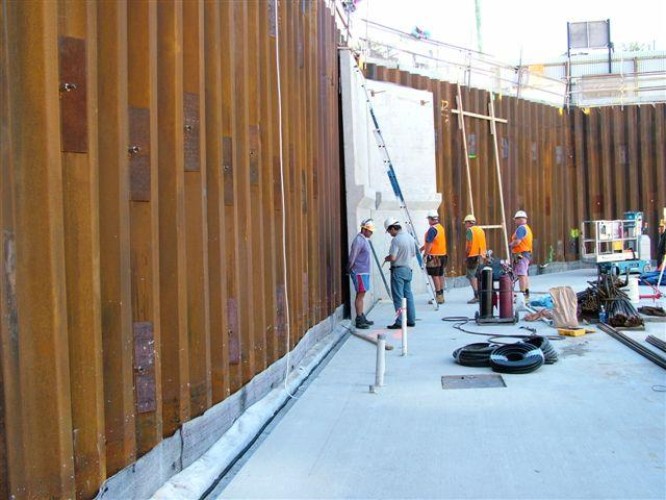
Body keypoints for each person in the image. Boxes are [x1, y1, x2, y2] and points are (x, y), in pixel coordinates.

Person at [383, 217, 416, 329]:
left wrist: (387, 258)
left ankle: (400, 321)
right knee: (408, 295)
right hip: (408, 269)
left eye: (389, 231)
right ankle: (411, 320)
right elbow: (413, 254)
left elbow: (393, 257)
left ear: (393, 228)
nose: (389, 234)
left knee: (398, 297)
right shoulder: (409, 237)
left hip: (398, 270)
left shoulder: (396, 240)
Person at [348, 218, 376, 329]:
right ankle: (359, 319)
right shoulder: (359, 240)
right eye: (370, 230)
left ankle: (362, 316)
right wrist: (349, 268)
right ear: (364, 229)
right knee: (360, 295)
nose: (371, 232)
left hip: (363, 272)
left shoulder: (364, 239)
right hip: (359, 272)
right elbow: (353, 257)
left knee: (362, 294)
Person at [420, 209, 447, 304]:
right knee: (440, 275)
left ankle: (438, 296)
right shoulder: (440, 227)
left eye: (428, 219)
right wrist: (422, 248)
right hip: (442, 255)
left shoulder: (432, 229)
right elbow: (434, 242)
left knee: (435, 276)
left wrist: (425, 254)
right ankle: (441, 295)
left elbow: (430, 243)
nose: (428, 221)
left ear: (431, 219)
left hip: (434, 257)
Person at [463, 214, 487, 303]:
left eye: (465, 223)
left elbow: (469, 246)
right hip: (481, 256)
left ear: (468, 223)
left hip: (472, 256)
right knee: (479, 276)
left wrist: (466, 256)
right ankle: (481, 295)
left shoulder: (470, 231)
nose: (465, 225)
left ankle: (476, 295)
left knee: (472, 276)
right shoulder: (480, 230)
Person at [509, 210, 533, 299]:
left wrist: (510, 245)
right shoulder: (527, 228)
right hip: (526, 253)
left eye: (515, 219)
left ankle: (522, 295)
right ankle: (526, 294)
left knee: (521, 274)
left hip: (521, 254)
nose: (515, 221)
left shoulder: (521, 228)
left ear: (519, 219)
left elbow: (517, 242)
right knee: (524, 274)